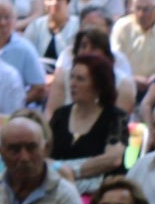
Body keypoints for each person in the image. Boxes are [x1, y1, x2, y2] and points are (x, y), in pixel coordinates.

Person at [48, 53, 129, 193]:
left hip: (101, 192)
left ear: (99, 85)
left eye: (80, 79)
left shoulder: (115, 117)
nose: (72, 84)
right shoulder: (60, 115)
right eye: (71, 77)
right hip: (58, 189)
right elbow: (43, 156)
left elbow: (113, 159)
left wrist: (69, 171)